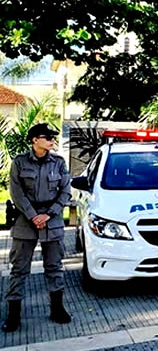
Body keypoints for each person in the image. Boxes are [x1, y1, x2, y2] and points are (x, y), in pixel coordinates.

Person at [3, 123, 71, 332]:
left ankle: (57, 308)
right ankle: (13, 314)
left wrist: (48, 214)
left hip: (52, 218)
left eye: (52, 137)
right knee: (19, 269)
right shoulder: (20, 163)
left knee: (54, 266)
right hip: (26, 219)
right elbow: (16, 193)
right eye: (47, 137)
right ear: (34, 140)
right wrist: (34, 216)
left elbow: (65, 191)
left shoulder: (58, 163)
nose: (51, 140)